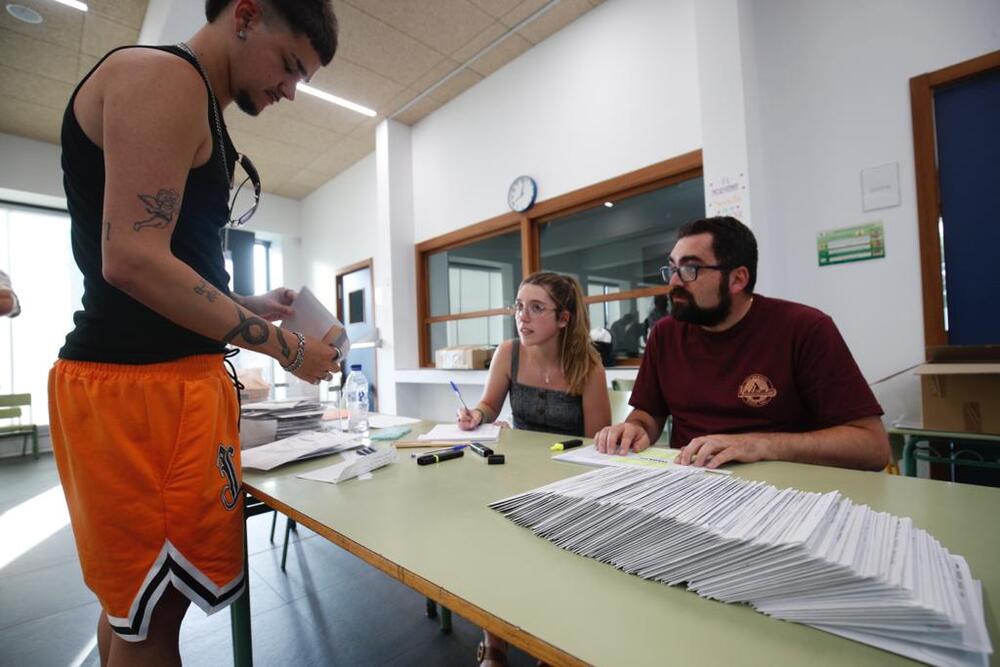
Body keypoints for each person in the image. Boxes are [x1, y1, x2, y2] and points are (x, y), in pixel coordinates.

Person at [48, 2, 339, 665]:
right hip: (143, 393)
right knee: (152, 620)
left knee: (134, 610)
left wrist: (250, 304)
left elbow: (163, 268)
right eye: (290, 65)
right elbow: (132, 262)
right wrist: (287, 346)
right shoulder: (164, 77)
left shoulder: (193, 101)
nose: (290, 90)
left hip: (158, 385)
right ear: (244, 15)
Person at [594, 216, 889, 472]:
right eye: (672, 268)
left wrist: (759, 445)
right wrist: (635, 428)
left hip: (784, 489)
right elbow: (649, 413)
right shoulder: (665, 334)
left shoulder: (805, 328)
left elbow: (872, 446)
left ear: (737, 279)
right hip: (689, 484)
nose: (674, 282)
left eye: (690, 269)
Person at [456, 271, 611, 667]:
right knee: (492, 540)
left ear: (564, 319)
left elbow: (598, 442)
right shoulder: (508, 353)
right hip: (518, 475)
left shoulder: (588, 366)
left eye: (536, 308)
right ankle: (495, 644)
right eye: (519, 306)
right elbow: (490, 405)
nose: (522, 317)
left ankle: (551, 646)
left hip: (570, 481)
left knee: (561, 557)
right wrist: (478, 414)